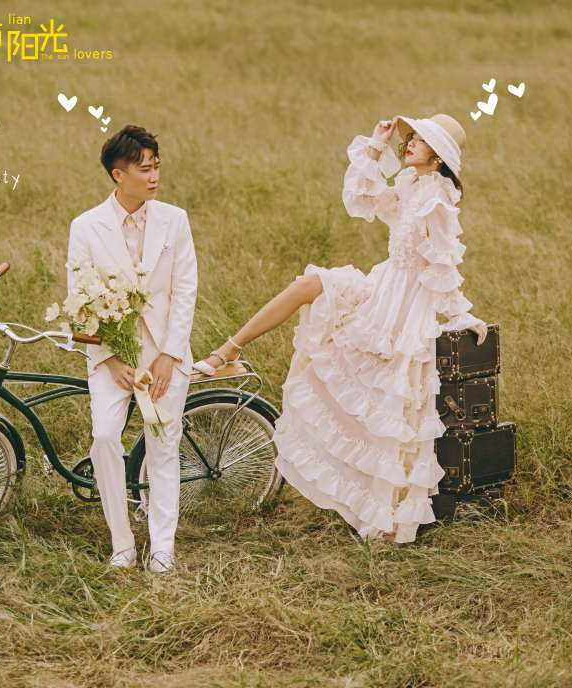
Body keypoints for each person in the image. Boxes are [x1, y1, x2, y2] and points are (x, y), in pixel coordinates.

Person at [196, 113, 486, 543]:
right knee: (309, 286)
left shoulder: (438, 200)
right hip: (382, 286)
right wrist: (376, 144)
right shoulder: (410, 184)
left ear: (439, 157)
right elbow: (365, 197)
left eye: (421, 141)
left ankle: (378, 511)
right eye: (412, 136)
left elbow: (442, 267)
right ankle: (229, 349)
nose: (410, 143)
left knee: (382, 406)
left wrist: (461, 316)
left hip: (404, 306)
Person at [66, 125, 198, 571]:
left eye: (156, 166)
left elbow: (185, 290)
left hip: (164, 355)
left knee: (163, 443)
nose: (154, 175)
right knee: (105, 437)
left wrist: (169, 355)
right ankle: (122, 544)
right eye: (144, 169)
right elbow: (80, 299)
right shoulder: (85, 227)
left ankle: (163, 547)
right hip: (112, 357)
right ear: (118, 175)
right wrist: (109, 358)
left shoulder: (175, 220)